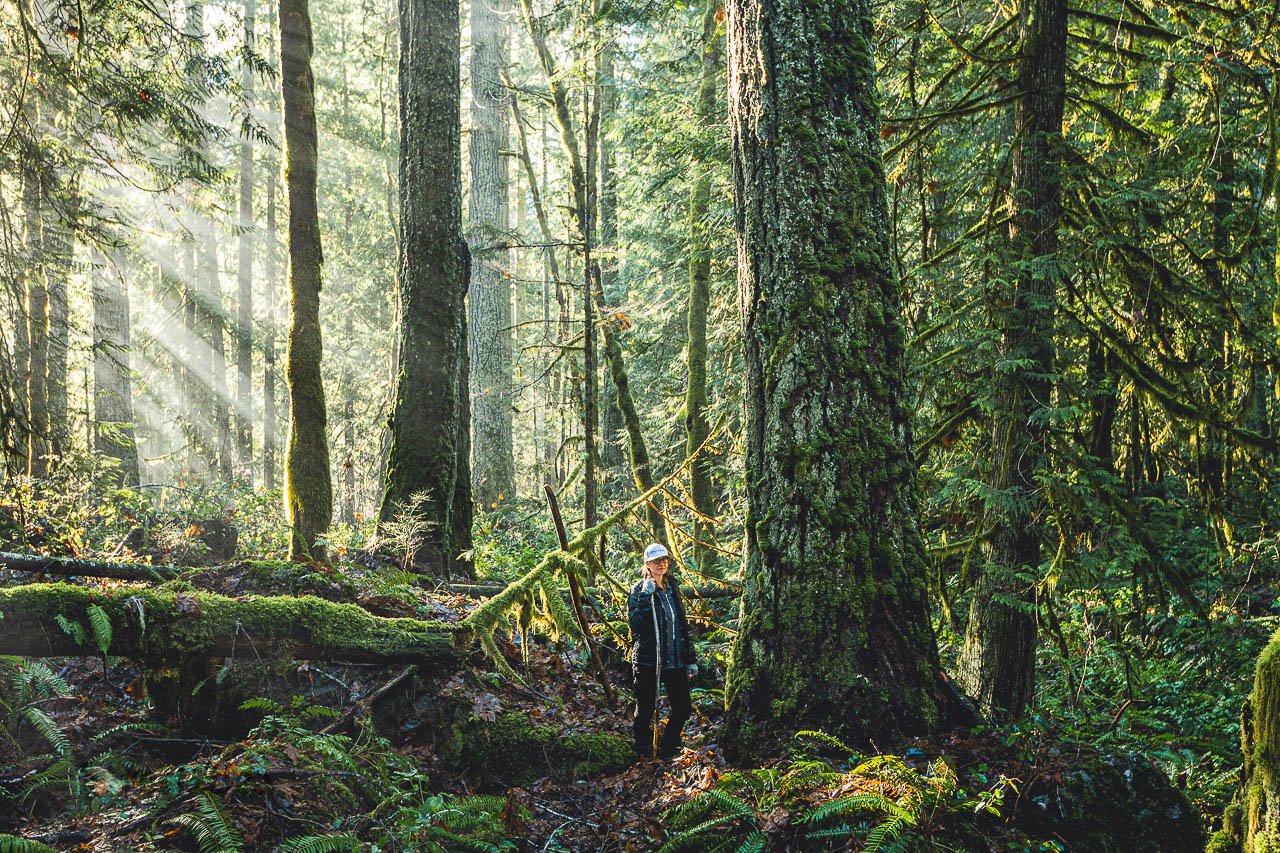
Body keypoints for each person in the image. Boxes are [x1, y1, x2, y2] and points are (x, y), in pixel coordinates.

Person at [628, 542, 697, 760]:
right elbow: (636, 625)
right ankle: (644, 748)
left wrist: (690, 657)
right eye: (656, 560)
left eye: (664, 559)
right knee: (646, 709)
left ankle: (668, 746)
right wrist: (645, 598)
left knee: (683, 708)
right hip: (650, 661)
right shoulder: (639, 590)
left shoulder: (672, 587)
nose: (661, 564)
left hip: (675, 659)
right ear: (647, 564)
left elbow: (681, 625)